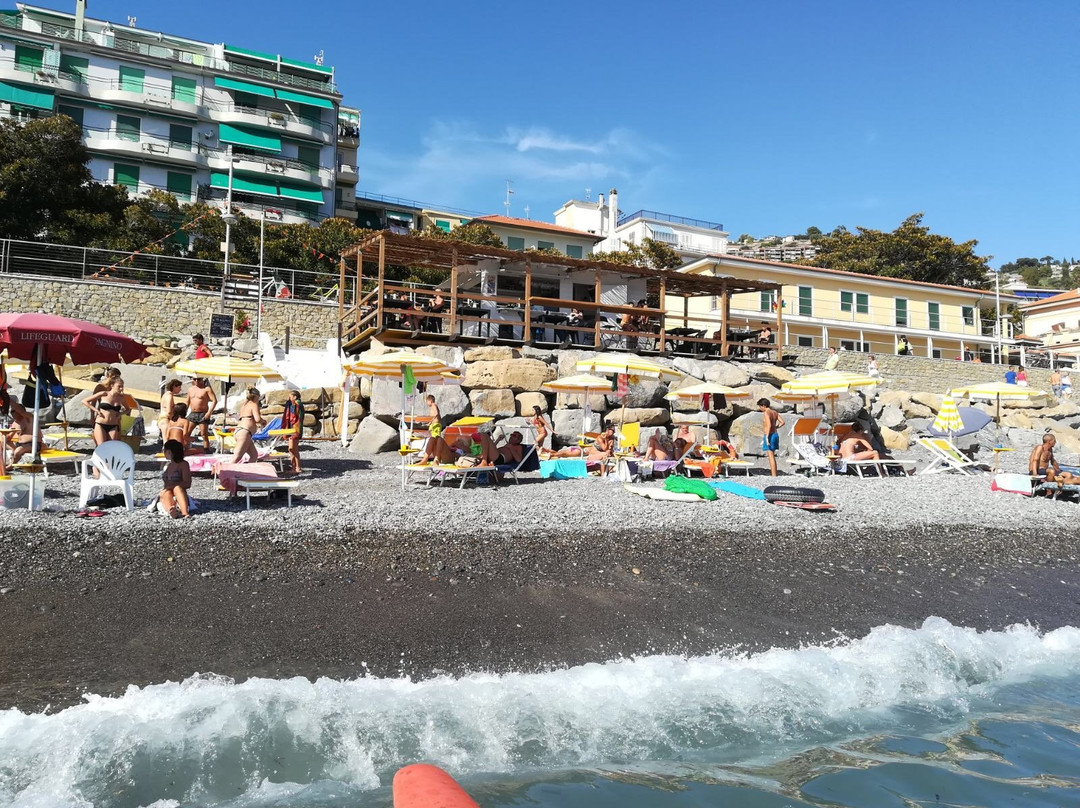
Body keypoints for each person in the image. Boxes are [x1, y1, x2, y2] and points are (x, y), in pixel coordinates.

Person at [81, 376, 130, 446]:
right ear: (112, 385)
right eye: (119, 386)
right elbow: (84, 401)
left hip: (113, 425)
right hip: (101, 424)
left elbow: (128, 409)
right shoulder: (104, 394)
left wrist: (121, 413)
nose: (121, 388)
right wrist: (96, 410)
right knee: (101, 446)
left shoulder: (121, 398)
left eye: (122, 386)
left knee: (111, 447)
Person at [0, 390, 40, 466]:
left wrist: (8, 399)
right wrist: (4, 436)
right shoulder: (15, 423)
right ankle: (4, 463)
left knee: (18, 450)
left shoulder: (29, 418)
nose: (12, 414)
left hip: (33, 444)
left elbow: (21, 412)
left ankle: (10, 466)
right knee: (3, 441)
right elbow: (8, 438)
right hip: (20, 444)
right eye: (11, 412)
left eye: (13, 411)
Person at [230, 387, 265, 464]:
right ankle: (223, 472)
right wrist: (263, 421)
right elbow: (257, 419)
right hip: (245, 432)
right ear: (256, 396)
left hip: (241, 430)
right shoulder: (253, 405)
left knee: (254, 455)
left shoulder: (244, 405)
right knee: (237, 457)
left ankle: (248, 473)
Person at [159, 439, 192, 518]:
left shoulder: (183, 464)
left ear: (169, 452)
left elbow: (187, 483)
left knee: (177, 488)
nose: (164, 453)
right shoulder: (168, 465)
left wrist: (172, 485)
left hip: (179, 491)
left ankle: (185, 512)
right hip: (168, 491)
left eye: (165, 451)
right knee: (166, 493)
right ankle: (171, 509)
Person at [184, 377, 218, 451]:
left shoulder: (206, 389)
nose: (196, 381)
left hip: (203, 414)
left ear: (202, 379)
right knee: (186, 433)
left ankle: (206, 450)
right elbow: (187, 402)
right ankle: (185, 448)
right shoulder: (190, 389)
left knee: (204, 434)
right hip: (192, 413)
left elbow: (214, 400)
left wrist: (209, 413)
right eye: (194, 379)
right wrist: (183, 412)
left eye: (198, 379)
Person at [759, 397, 785, 477]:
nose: (760, 409)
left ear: (763, 406)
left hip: (769, 435)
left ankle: (774, 476)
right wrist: (776, 427)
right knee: (772, 455)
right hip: (775, 434)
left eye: (760, 407)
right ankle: (774, 474)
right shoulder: (775, 412)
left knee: (770, 456)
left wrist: (766, 437)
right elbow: (782, 422)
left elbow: (769, 425)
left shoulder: (767, 413)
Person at [281, 389, 305, 474]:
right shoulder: (295, 404)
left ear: (295, 397)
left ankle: (297, 468)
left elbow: (293, 416)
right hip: (293, 428)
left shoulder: (296, 404)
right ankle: (294, 467)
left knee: (293, 449)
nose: (289, 398)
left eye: (290, 396)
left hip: (295, 428)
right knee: (291, 449)